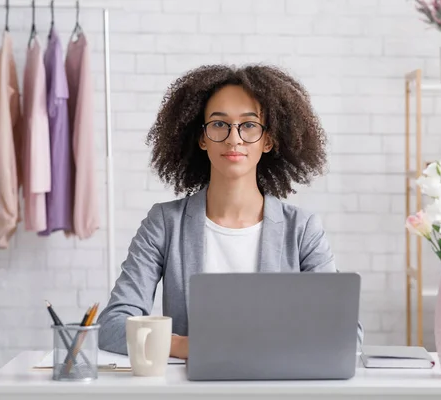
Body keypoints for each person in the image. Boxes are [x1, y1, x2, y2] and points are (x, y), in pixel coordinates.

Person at [97, 64, 364, 359]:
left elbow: (347, 334)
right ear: (201, 138)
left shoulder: (301, 229)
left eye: (249, 125)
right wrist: (187, 346)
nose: (233, 138)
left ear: (268, 140)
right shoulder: (164, 224)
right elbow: (111, 327)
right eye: (219, 124)